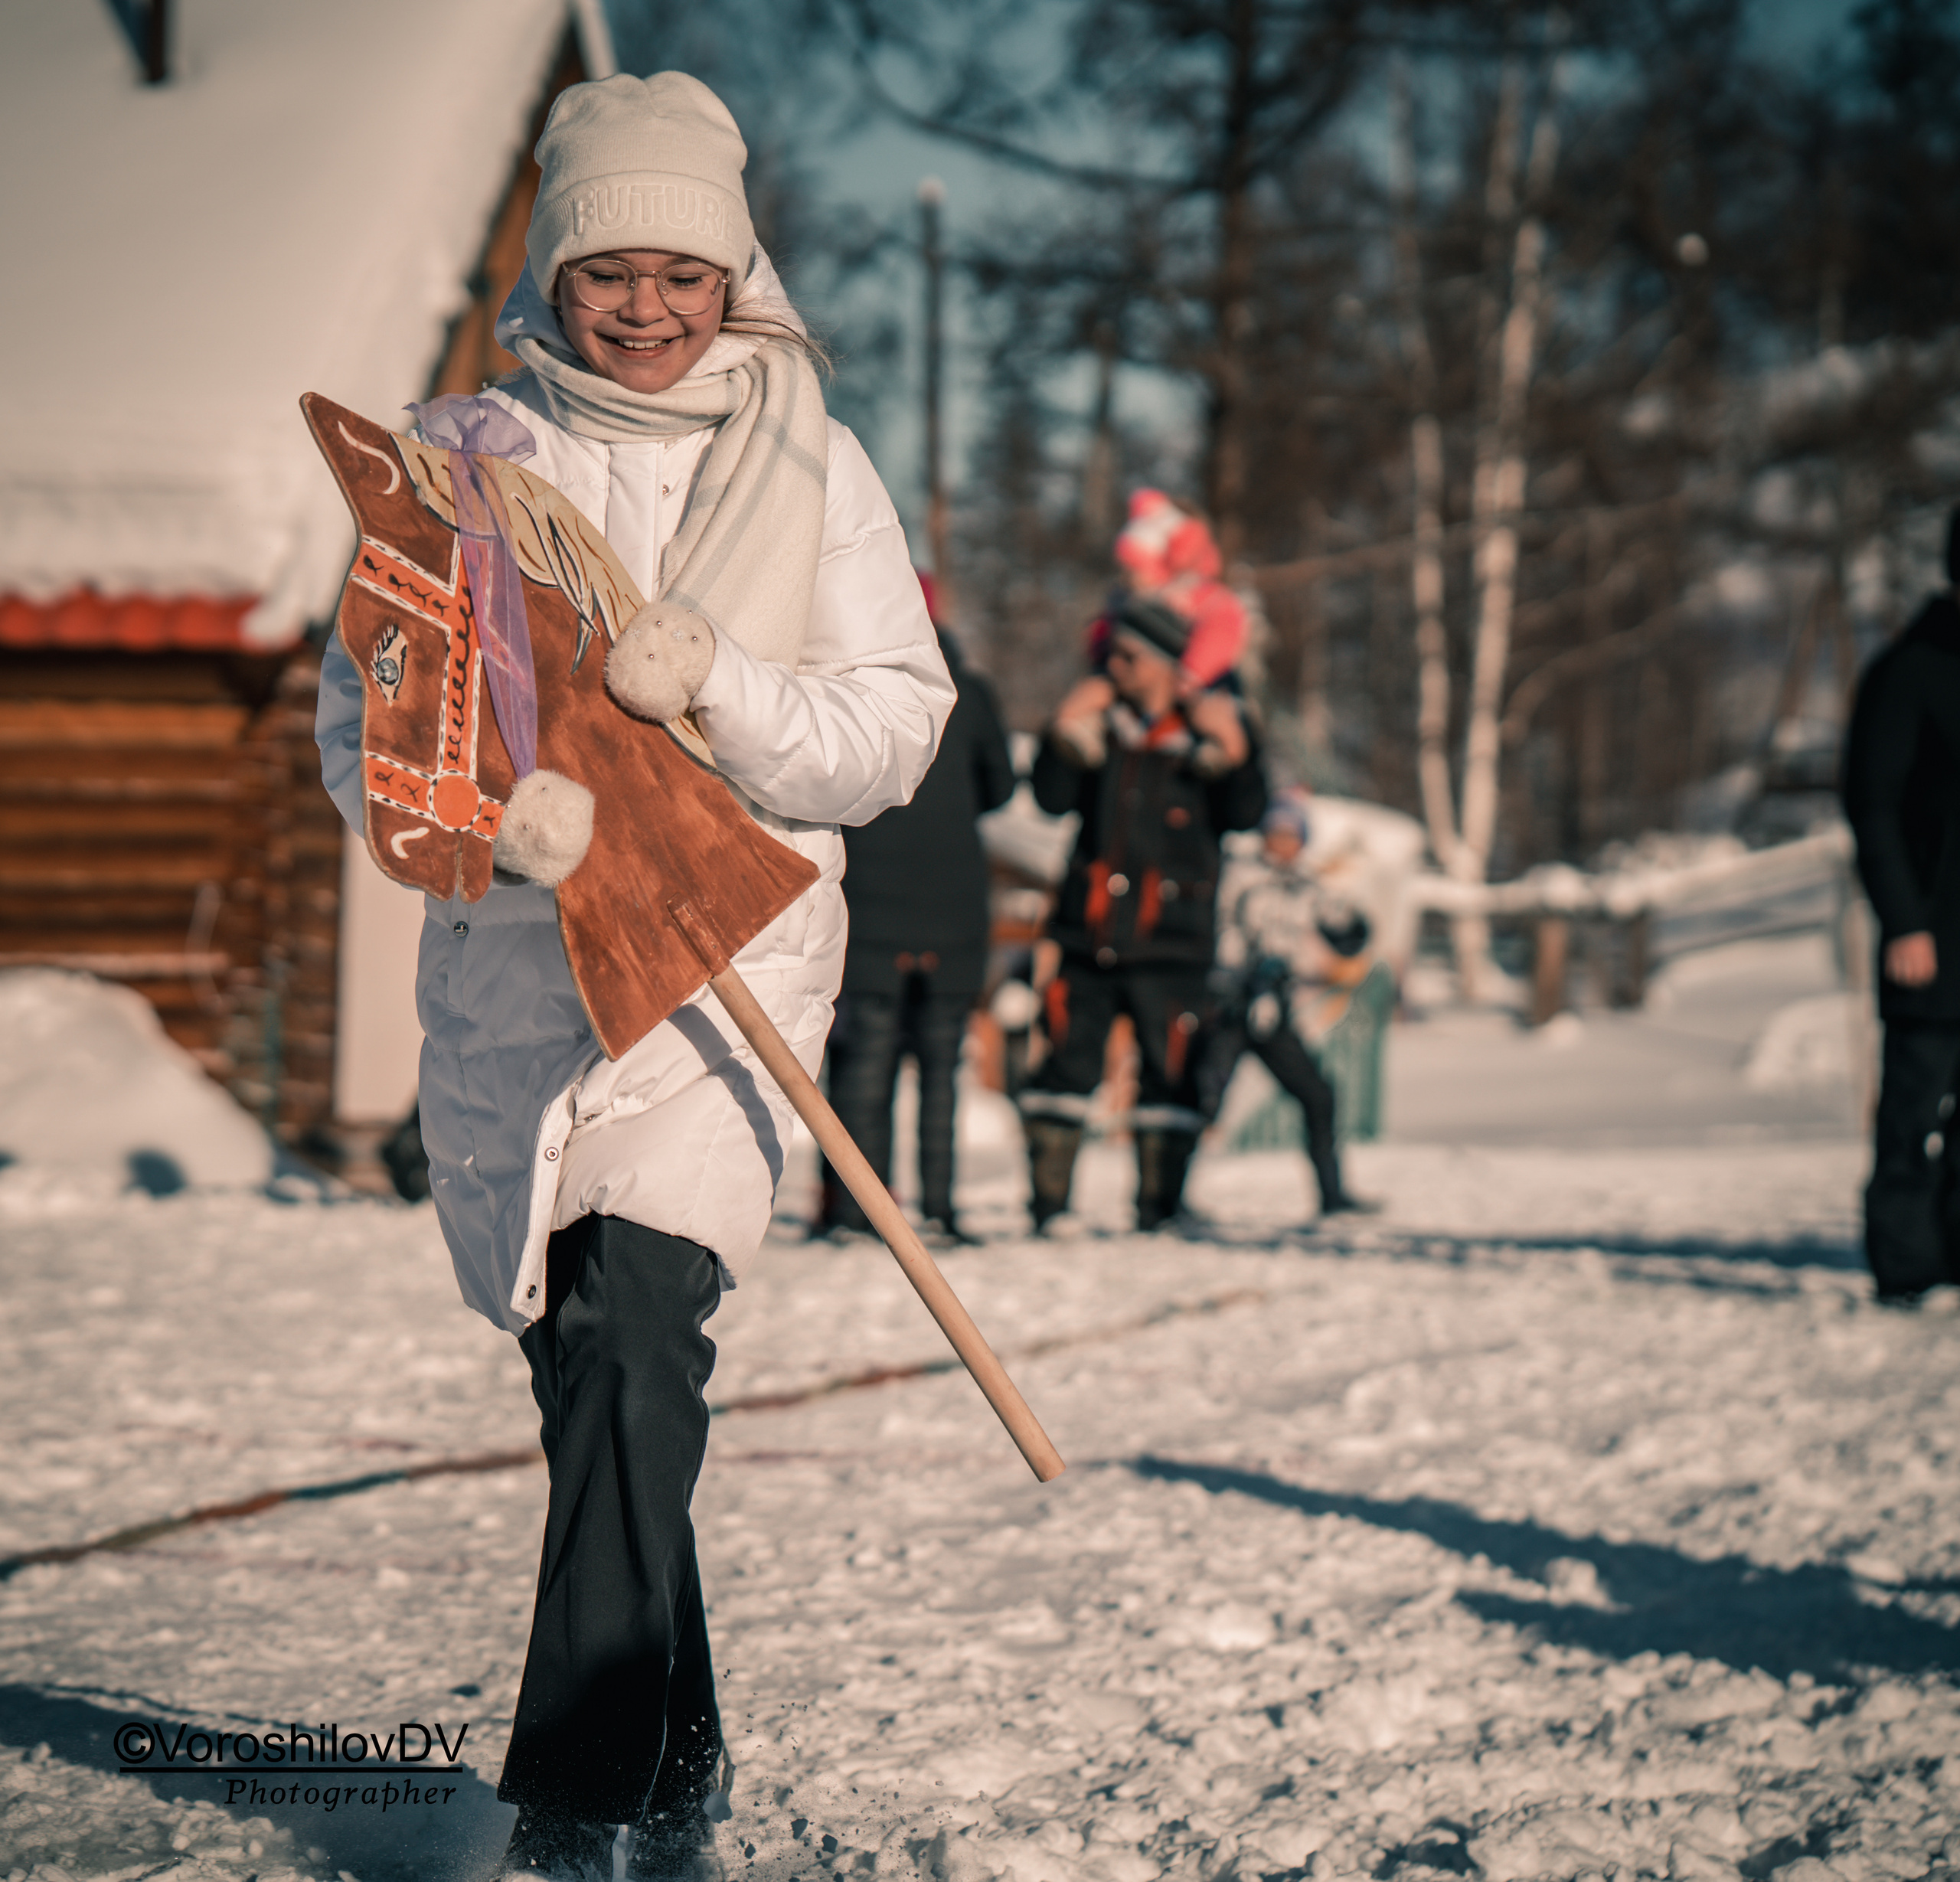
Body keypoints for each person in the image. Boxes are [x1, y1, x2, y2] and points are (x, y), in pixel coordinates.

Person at [314, 72, 954, 1880]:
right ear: (556, 269)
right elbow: (358, 737)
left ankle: (575, 1808)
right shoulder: (458, 462)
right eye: (613, 270)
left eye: (685, 269)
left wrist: (720, 694)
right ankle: (676, 1765)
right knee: (602, 1394)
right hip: (524, 986)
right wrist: (466, 829)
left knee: (628, 1338)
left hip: (728, 975)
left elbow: (894, 732)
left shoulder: (813, 459)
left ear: (734, 269)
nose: (649, 306)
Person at [1018, 594, 1266, 1230]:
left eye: (1125, 655)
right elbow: (1050, 799)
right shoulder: (1100, 724)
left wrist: (1235, 746)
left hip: (1173, 940)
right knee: (1064, 1068)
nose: (1112, 667)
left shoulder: (1211, 726)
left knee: (1171, 1074)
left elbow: (1248, 815)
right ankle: (1050, 1207)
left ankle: (1161, 1206)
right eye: (1108, 654)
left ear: (1163, 663)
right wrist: (1061, 726)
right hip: (1088, 934)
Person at [817, 575, 1017, 1244]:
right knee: (940, 1068)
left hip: (870, 908)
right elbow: (1000, 788)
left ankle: (857, 1212)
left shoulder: (845, 687)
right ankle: (941, 1208)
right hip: (954, 910)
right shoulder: (970, 691)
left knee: (865, 1065)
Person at [1843, 506, 1960, 1305]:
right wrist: (1903, 919)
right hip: (1932, 933)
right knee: (1912, 1106)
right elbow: (1872, 802)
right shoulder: (1908, 670)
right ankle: (1903, 1263)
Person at [1198, 795, 1377, 1222]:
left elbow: (1347, 935)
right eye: (1276, 833)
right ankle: (1165, 1197)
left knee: (1318, 1095)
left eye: (1291, 835)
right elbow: (1217, 929)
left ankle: (1332, 1193)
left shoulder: (1308, 888)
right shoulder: (1236, 877)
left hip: (1276, 1009)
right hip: (1232, 1004)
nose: (1282, 843)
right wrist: (1237, 973)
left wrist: (1352, 919)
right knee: (1205, 1097)